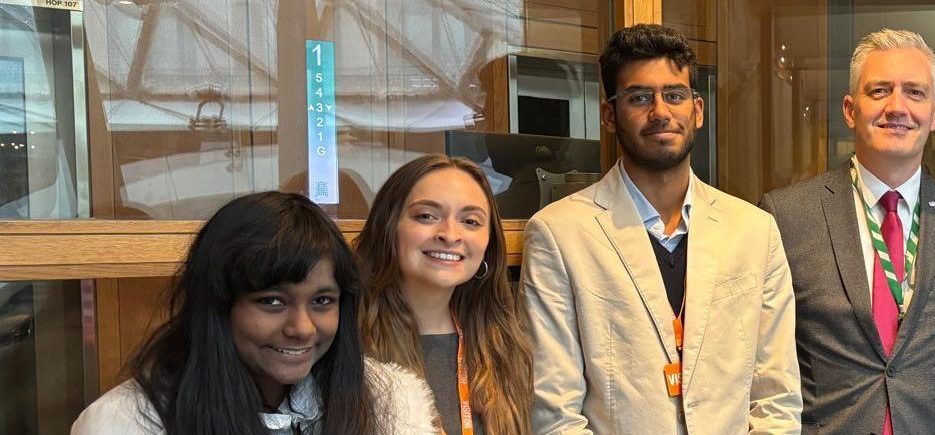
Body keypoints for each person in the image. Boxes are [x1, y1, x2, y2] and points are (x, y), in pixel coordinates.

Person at [522, 24, 801, 434]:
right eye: (639, 97)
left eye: (674, 95)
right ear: (609, 115)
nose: (660, 112)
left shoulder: (755, 231)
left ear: (697, 110)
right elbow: (555, 414)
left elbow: (776, 396)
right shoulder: (560, 234)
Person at [760, 28, 935, 434]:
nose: (897, 107)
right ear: (850, 110)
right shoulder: (787, 216)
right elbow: (767, 358)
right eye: (879, 91)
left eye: (914, 92)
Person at [72, 191, 437, 434]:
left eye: (322, 301)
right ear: (219, 303)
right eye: (273, 301)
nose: (302, 328)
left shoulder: (389, 405)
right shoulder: (124, 423)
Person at [356, 155, 537, 435]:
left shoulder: (502, 346)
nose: (450, 235)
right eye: (426, 216)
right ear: (388, 227)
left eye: (471, 221)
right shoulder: (348, 344)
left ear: (488, 243)